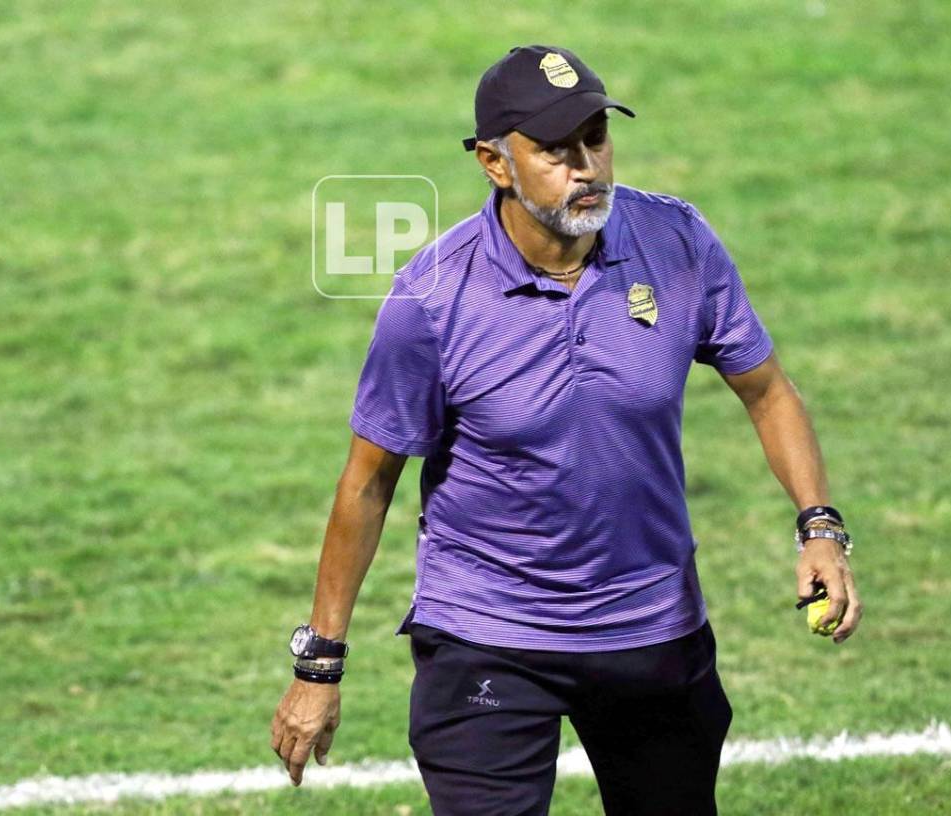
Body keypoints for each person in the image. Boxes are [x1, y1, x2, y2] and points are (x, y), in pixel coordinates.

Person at [271, 44, 863, 815]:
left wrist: (820, 526)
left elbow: (768, 391)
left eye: (596, 138)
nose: (586, 166)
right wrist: (320, 664)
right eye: (555, 150)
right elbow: (368, 480)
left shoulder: (676, 243)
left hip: (650, 623)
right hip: (487, 630)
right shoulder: (432, 300)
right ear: (494, 163)